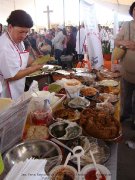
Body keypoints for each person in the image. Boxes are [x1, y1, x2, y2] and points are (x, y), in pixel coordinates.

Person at [0, 10, 44, 100]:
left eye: (26, 32)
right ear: (10, 27)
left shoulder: (18, 41)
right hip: (6, 92)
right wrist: (34, 68)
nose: (24, 36)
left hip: (17, 87)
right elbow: (12, 76)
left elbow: (22, 60)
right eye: (21, 32)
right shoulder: (4, 45)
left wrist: (36, 61)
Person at [114, 2, 135, 127]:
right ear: (132, 11)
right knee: (126, 95)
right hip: (126, 71)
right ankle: (125, 114)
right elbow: (116, 41)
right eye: (134, 9)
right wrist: (124, 42)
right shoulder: (126, 25)